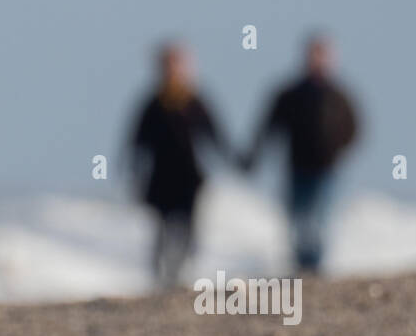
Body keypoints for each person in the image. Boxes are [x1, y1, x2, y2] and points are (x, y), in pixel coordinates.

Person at [244, 35, 359, 272]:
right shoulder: (290, 94)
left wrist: (339, 149)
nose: (317, 61)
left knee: (319, 219)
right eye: (313, 55)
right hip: (297, 167)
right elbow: (269, 126)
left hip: (327, 169)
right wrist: (254, 156)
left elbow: (354, 127)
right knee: (297, 217)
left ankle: (315, 267)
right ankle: (301, 264)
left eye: (322, 55)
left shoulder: (339, 96)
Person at [129, 43, 232, 286]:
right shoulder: (152, 104)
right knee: (163, 228)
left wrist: (238, 161)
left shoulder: (194, 101)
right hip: (160, 178)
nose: (173, 71)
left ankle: (180, 271)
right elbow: (136, 141)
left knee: (189, 229)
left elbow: (214, 134)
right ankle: (162, 274)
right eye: (168, 65)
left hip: (189, 177)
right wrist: (133, 171)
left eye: (177, 65)